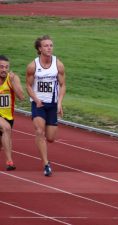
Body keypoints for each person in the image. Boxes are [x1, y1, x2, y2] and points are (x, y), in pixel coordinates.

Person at [26, 35, 66, 176]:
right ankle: (46, 164)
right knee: (39, 131)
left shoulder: (58, 64)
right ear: (39, 48)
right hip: (39, 104)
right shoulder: (33, 66)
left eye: (51, 45)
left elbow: (63, 85)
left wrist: (60, 103)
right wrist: (36, 99)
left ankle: (46, 160)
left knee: (50, 138)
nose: (49, 48)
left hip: (52, 104)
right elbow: (29, 86)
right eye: (46, 45)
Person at [0, 55, 25, 170]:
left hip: (8, 117)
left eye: (6, 67)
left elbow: (21, 97)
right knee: (6, 128)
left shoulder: (13, 78)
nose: (4, 69)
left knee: (2, 143)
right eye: (1, 67)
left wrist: (13, 82)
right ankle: (9, 162)